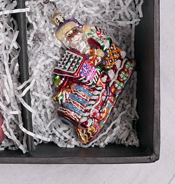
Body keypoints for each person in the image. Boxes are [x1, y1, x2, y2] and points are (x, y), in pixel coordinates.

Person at [51, 13, 134, 144]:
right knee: (84, 96)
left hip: (105, 72)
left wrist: (99, 55)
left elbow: (103, 43)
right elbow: (60, 77)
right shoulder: (71, 56)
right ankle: (85, 122)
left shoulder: (93, 41)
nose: (74, 36)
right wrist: (63, 87)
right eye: (69, 35)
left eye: (75, 31)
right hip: (87, 85)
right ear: (66, 41)